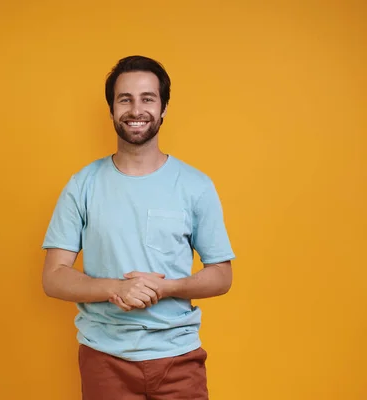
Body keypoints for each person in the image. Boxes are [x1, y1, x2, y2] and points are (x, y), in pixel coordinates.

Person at [41, 55, 235, 400]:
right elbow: (53, 276)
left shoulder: (196, 185)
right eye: (125, 99)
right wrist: (117, 287)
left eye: (148, 98)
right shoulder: (82, 184)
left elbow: (222, 274)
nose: (136, 109)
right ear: (112, 110)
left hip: (179, 358)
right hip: (105, 359)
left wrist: (167, 287)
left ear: (163, 109)